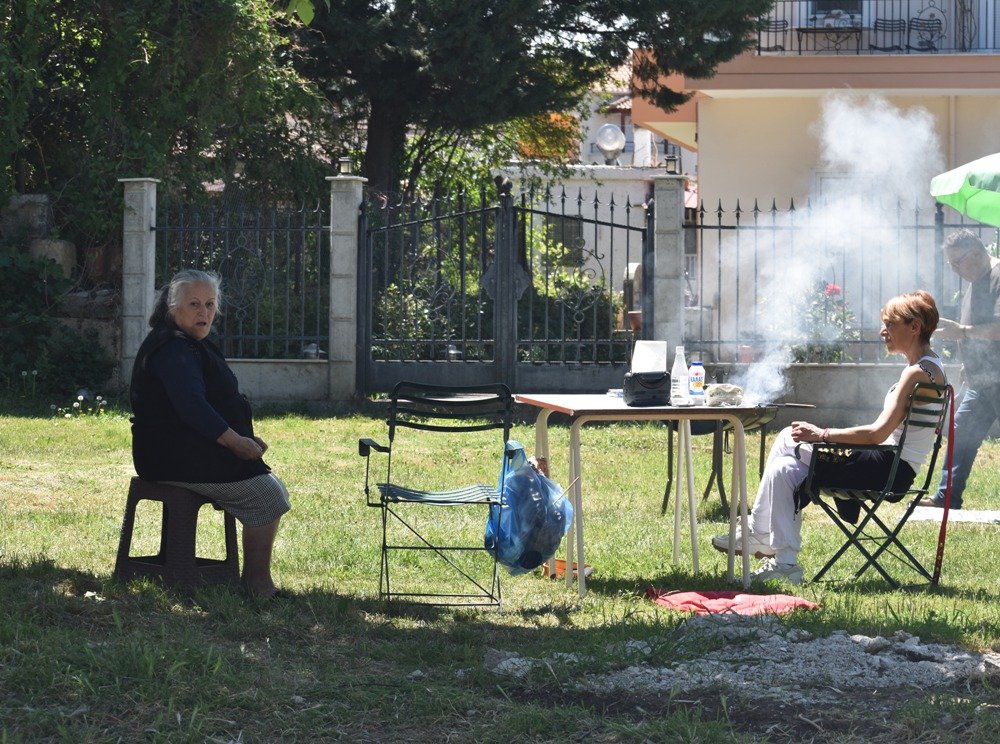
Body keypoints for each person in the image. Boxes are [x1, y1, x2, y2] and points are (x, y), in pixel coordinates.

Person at [712, 290, 946, 584]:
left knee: (788, 437)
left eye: (891, 323)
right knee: (785, 469)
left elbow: (876, 434)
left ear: (915, 327)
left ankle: (759, 532)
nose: (882, 331)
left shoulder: (918, 374)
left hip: (888, 469)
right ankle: (785, 564)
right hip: (888, 465)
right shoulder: (928, 369)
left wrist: (822, 434)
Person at [130, 269, 291, 598]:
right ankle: (256, 585)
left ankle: (254, 581)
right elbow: (192, 408)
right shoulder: (172, 348)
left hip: (191, 450)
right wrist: (235, 442)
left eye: (210, 304)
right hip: (172, 456)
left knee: (271, 488)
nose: (204, 312)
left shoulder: (189, 343)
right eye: (194, 304)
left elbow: (213, 404)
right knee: (267, 495)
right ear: (173, 307)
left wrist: (245, 437)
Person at [917, 230, 1000, 510]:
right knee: (961, 431)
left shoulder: (998, 277)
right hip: (983, 379)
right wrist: (969, 361)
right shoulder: (975, 280)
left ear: (976, 254)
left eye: (957, 263)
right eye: (950, 264)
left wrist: (962, 332)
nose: (954, 270)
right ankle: (946, 497)